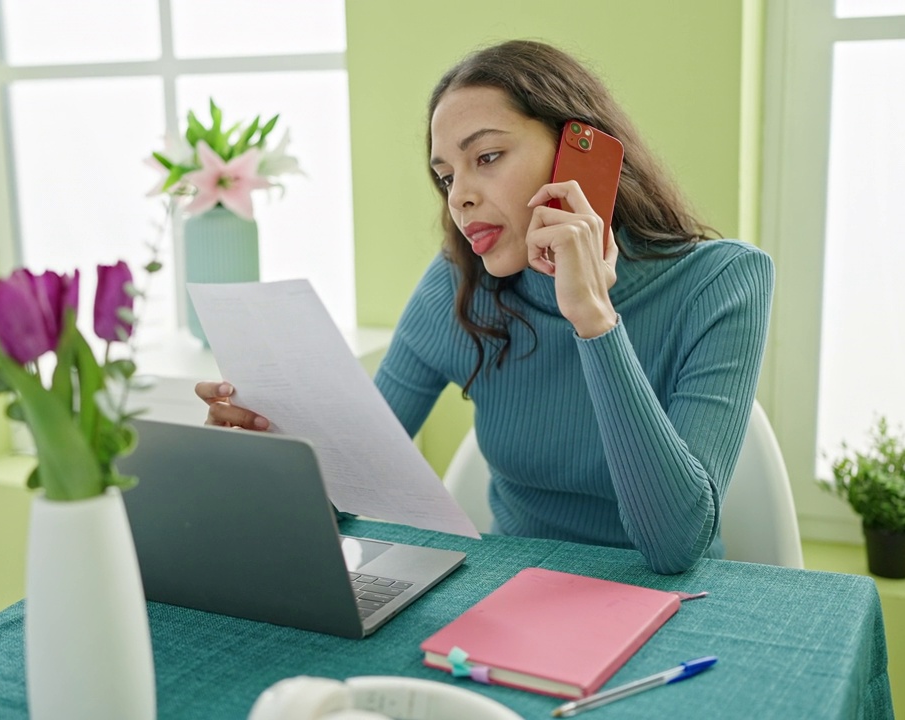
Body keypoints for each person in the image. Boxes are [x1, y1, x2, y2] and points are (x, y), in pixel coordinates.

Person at [196, 39, 773, 574]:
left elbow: (675, 546)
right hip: (511, 599)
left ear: (579, 155)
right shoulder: (456, 283)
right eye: (445, 177)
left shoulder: (724, 281)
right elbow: (353, 489)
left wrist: (593, 319)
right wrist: (269, 459)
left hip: (673, 609)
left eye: (489, 156)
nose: (460, 197)